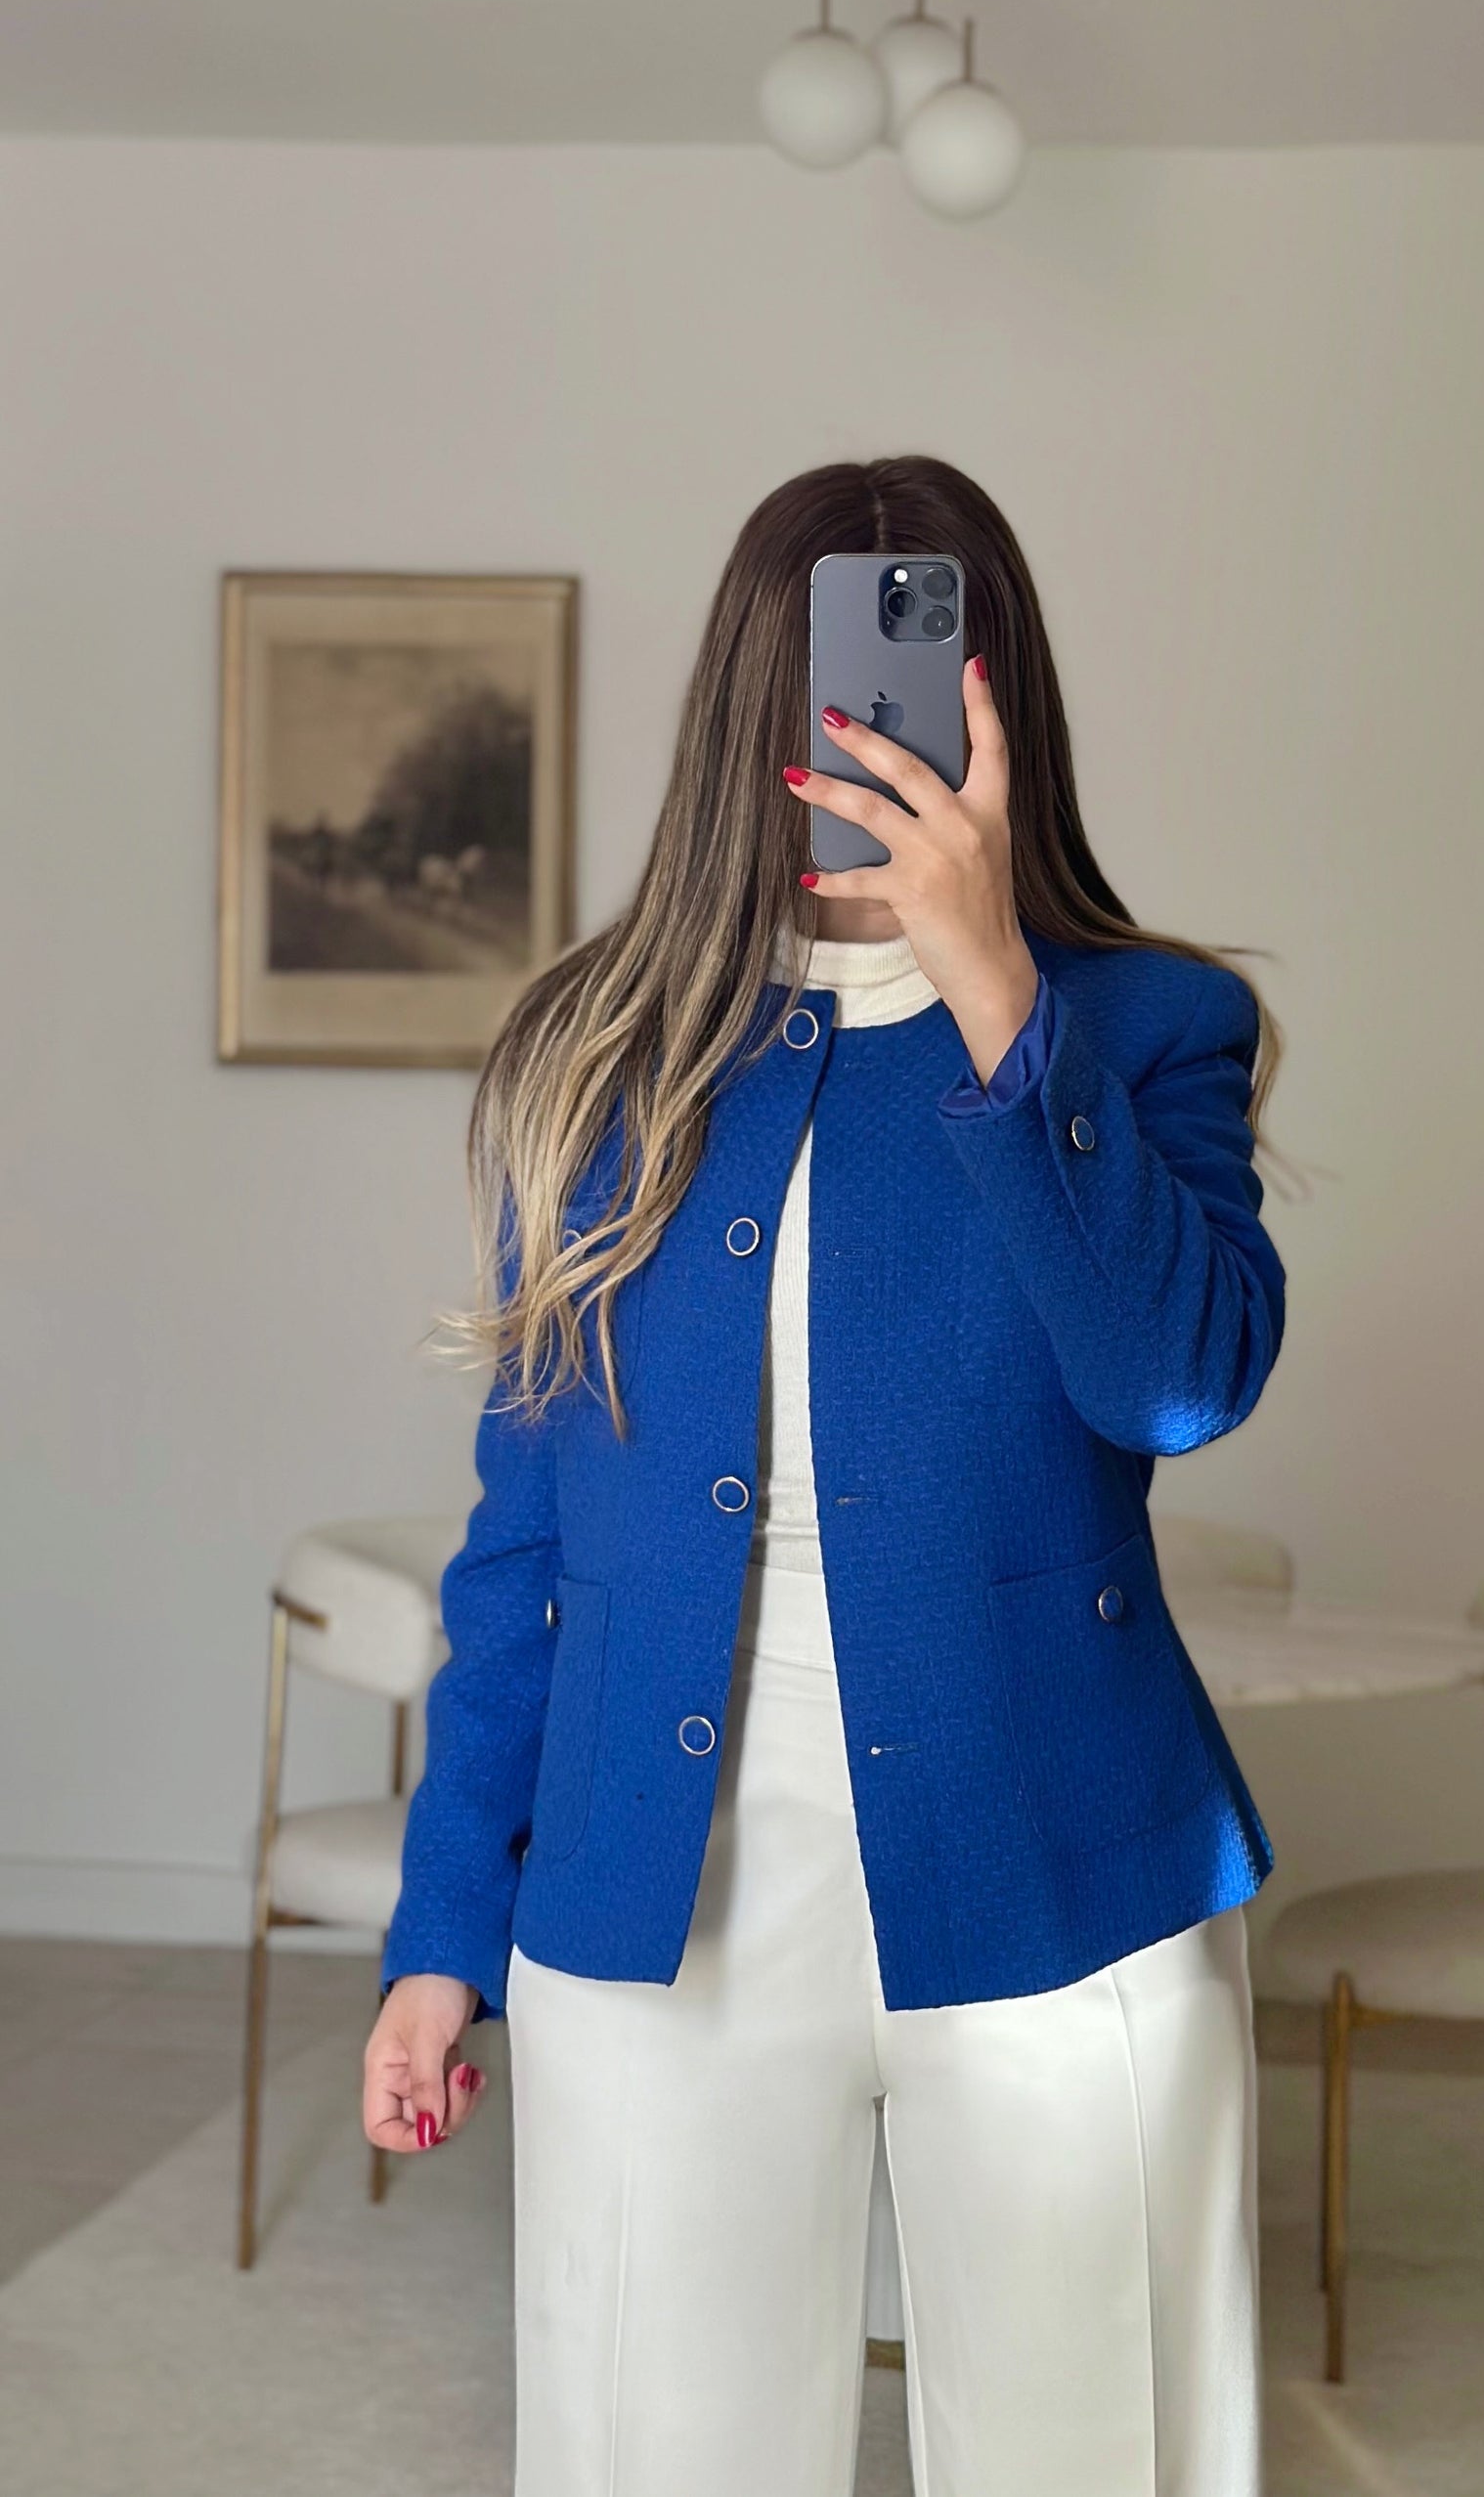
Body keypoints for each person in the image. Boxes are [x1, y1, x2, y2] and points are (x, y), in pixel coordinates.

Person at [363, 454, 1288, 2497]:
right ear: (751, 708)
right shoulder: (596, 1051)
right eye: (837, 676)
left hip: (1064, 1862)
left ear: (994, 692)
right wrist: (443, 1927)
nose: (879, 720)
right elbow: (527, 1547)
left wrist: (995, 990)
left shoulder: (1146, 1026)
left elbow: (1179, 1383)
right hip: (653, 1879)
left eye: (922, 667)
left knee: (1091, 2451)